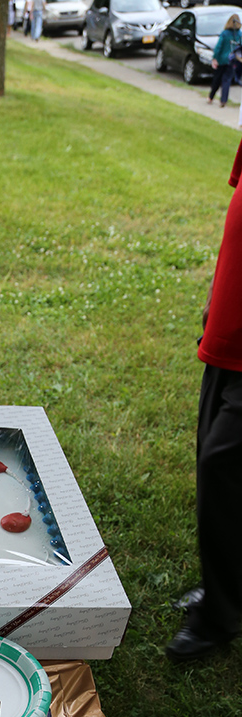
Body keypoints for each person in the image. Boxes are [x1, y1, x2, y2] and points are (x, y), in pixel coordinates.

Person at [166, 139, 242, 663]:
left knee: (224, 465)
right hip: (229, 337)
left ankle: (220, 617)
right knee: (211, 460)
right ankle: (225, 590)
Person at [207, 13, 242, 108]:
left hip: (222, 59)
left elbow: (218, 47)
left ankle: (211, 97)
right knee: (227, 80)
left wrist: (215, 58)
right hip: (233, 60)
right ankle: (223, 100)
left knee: (217, 79)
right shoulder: (239, 34)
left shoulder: (225, 34)